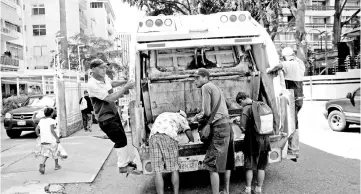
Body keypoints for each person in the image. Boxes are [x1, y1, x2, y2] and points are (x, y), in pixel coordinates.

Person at [86, 58, 137, 174]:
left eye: (105, 67)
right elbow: (110, 98)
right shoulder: (92, 84)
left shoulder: (104, 78)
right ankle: (122, 166)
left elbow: (112, 83)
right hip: (106, 118)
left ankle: (126, 162)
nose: (104, 70)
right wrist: (125, 87)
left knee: (122, 138)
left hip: (113, 114)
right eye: (101, 68)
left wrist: (125, 82)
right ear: (93, 69)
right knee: (120, 140)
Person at [190, 68, 235, 194]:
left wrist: (195, 117)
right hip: (227, 126)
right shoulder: (217, 88)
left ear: (205, 77)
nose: (195, 81)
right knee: (227, 161)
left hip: (219, 127)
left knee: (211, 164)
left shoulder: (206, 87)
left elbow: (207, 112)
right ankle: (225, 191)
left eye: (197, 78)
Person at [266, 47, 305, 162]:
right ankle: (293, 150)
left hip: (293, 98)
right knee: (294, 123)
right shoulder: (299, 63)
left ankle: (293, 150)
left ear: (285, 56)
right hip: (298, 97)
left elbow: (279, 66)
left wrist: (268, 71)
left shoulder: (290, 63)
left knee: (293, 124)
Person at [149, 110, 194, 194]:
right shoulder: (181, 117)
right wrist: (191, 140)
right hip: (168, 137)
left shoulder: (163, 114)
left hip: (153, 137)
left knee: (158, 171)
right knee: (174, 169)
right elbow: (187, 130)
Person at [236, 92, 270, 194]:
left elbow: (243, 127)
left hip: (252, 141)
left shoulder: (246, 108)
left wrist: (238, 123)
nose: (240, 105)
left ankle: (248, 189)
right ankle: (258, 189)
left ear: (242, 99)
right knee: (261, 166)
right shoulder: (262, 105)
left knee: (249, 166)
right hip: (265, 139)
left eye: (239, 103)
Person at [35, 108, 61, 174]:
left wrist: (39, 135)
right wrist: (57, 138)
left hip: (43, 140)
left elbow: (36, 129)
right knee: (55, 152)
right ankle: (56, 165)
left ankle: (42, 164)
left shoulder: (41, 121)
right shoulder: (52, 121)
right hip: (51, 140)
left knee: (46, 153)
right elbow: (52, 130)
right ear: (52, 113)